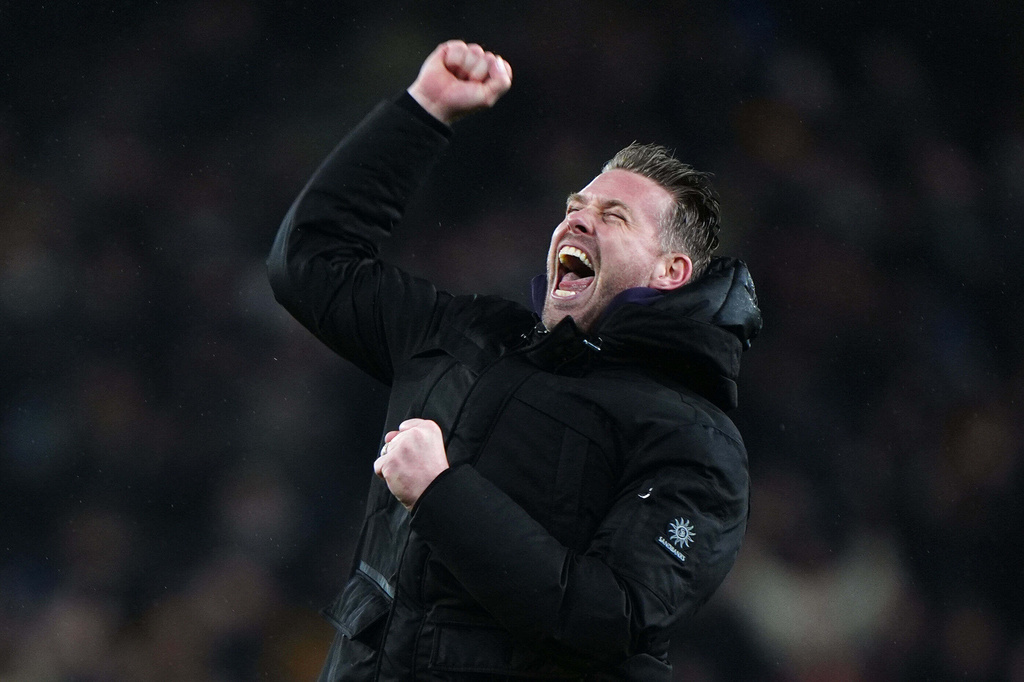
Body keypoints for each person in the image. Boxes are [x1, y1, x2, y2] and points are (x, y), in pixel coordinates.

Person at [268, 40, 761, 681]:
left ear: (671, 271)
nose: (576, 224)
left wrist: (442, 494)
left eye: (612, 217)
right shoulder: (470, 337)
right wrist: (423, 112)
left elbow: (611, 615)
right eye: (573, 210)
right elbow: (311, 264)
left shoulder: (695, 439)